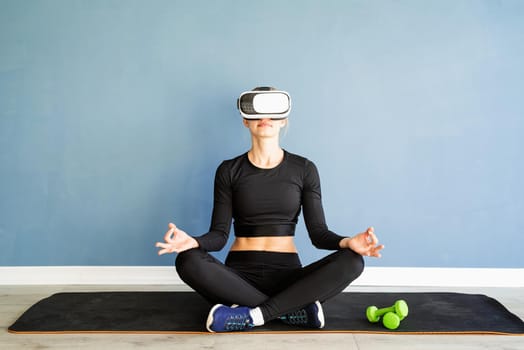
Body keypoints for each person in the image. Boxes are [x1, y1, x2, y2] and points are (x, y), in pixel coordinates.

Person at [155, 87, 384, 333]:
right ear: (245, 120)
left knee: (353, 262)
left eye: (273, 113)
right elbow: (219, 236)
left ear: (283, 119)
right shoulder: (228, 170)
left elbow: (318, 234)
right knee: (187, 260)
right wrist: (193, 241)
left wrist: (349, 242)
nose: (265, 119)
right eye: (256, 112)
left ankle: (252, 316)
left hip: (288, 278)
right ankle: (289, 313)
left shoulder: (304, 169)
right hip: (238, 279)